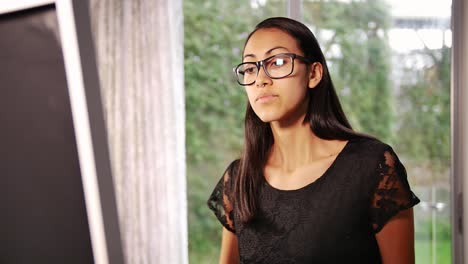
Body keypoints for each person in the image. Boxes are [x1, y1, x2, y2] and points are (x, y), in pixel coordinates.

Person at [207, 17, 420, 264]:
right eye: (250, 68)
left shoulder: (373, 167)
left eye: (277, 62)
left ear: (314, 73)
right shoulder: (238, 178)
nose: (260, 80)